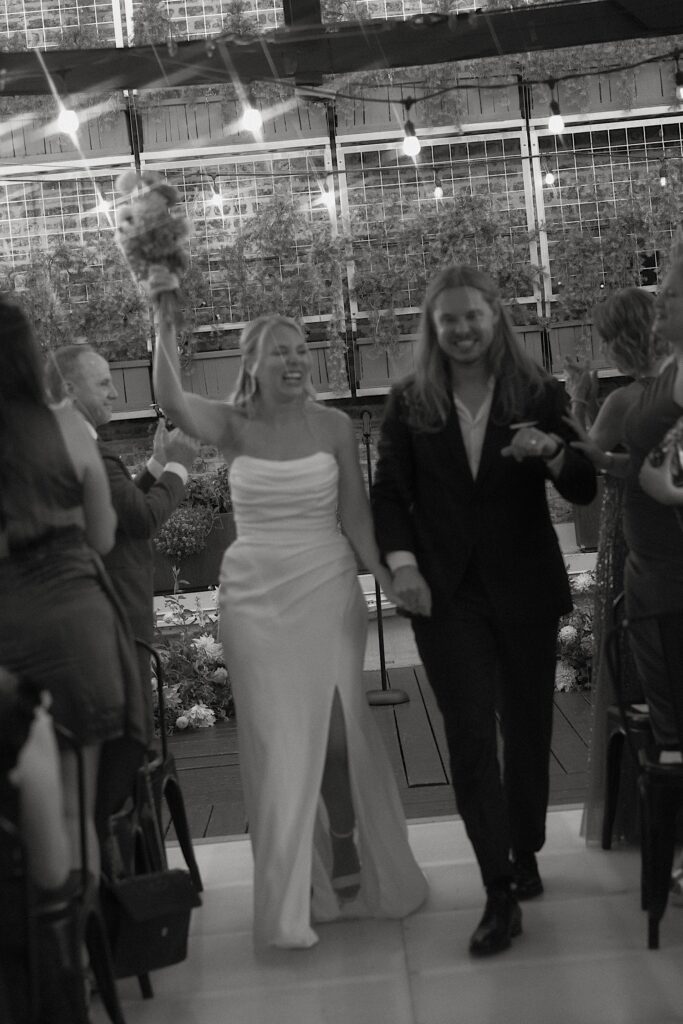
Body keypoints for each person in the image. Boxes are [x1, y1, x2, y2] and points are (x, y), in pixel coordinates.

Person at [150, 281, 427, 949]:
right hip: (253, 594)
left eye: (301, 350)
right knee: (276, 742)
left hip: (325, 583)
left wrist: (389, 577)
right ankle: (294, 888)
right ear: (254, 363)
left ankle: (345, 843)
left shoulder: (334, 427)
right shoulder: (232, 424)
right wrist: (162, 323)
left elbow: (356, 515)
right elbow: (170, 401)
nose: (294, 361)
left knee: (336, 736)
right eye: (279, 353)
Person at [371, 265, 596, 956]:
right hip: (445, 594)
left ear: (494, 318)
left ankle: (522, 848)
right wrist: (401, 568)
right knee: (468, 736)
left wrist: (552, 450)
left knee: (526, 730)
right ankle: (497, 888)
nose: (462, 329)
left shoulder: (538, 391)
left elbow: (585, 484)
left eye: (473, 316)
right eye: (448, 320)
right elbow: (388, 495)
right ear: (432, 329)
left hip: (523, 587)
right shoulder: (411, 400)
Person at [0, 296, 147, 878]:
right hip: (75, 628)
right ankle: (80, 955)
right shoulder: (65, 426)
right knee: (74, 808)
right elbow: (105, 536)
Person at [45, 345, 198, 829]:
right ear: (70, 390)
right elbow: (141, 517)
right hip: (116, 615)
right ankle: (136, 854)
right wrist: (178, 467)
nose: (115, 390)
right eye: (104, 382)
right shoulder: (86, 447)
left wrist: (153, 467)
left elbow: (118, 500)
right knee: (132, 740)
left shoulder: (76, 446)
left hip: (97, 611)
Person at [563, 288, 671, 845]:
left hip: (635, 543)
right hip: (658, 538)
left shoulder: (629, 399)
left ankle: (640, 811)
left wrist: (579, 401)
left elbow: (590, 465)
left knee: (635, 675)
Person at [621, 260, 683, 757]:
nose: (657, 301)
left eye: (672, 294)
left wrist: (671, 493)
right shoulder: (672, 372)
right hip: (653, 573)